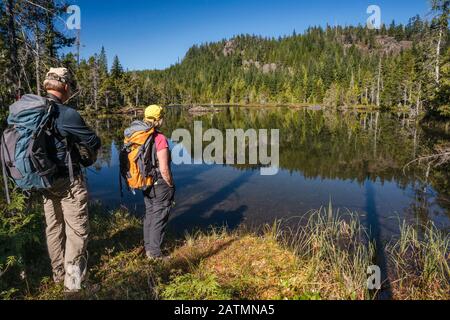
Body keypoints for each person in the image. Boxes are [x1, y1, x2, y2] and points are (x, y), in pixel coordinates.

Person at [41, 68, 101, 291]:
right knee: (76, 232)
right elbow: (94, 142)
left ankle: (58, 275)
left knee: (53, 228)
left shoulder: (35, 109)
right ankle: (73, 286)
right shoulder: (66, 114)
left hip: (45, 180)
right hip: (68, 181)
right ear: (65, 87)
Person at [142, 105, 175, 259]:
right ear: (158, 119)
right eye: (162, 116)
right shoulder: (160, 138)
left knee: (150, 213)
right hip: (159, 182)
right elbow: (164, 169)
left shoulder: (139, 134)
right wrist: (170, 184)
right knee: (160, 215)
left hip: (145, 181)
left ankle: (148, 248)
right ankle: (155, 254)